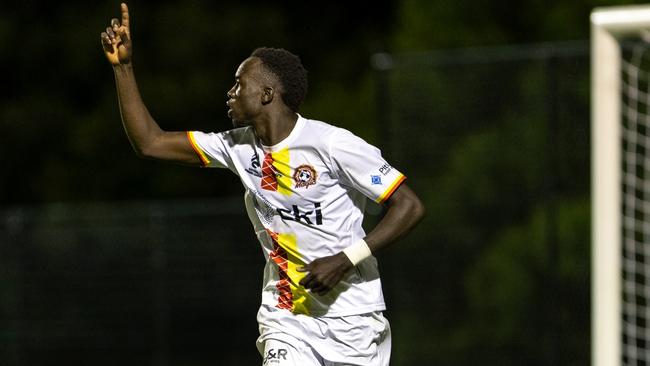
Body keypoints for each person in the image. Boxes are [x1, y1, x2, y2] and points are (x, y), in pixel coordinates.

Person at [100, 3, 425, 366]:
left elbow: (409, 206)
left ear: (267, 94)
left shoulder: (332, 144)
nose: (230, 92)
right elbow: (150, 142)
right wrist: (123, 67)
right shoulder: (235, 146)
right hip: (285, 316)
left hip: (353, 319)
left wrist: (346, 259)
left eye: (239, 84)